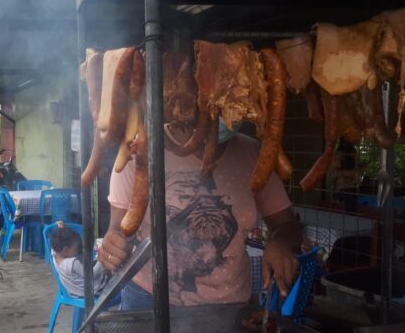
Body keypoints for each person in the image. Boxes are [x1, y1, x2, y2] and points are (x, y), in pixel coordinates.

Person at [97, 119, 304, 310]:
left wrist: (281, 243)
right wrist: (113, 245)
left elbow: (287, 226)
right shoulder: (139, 149)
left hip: (231, 306)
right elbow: (118, 229)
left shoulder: (253, 154)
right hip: (150, 300)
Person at [50, 221, 110, 298]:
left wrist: (61, 228)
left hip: (74, 291)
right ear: (66, 249)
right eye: (76, 249)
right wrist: (101, 259)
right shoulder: (72, 263)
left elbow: (55, 244)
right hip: (92, 291)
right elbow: (92, 274)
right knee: (113, 269)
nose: (78, 251)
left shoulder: (55, 254)